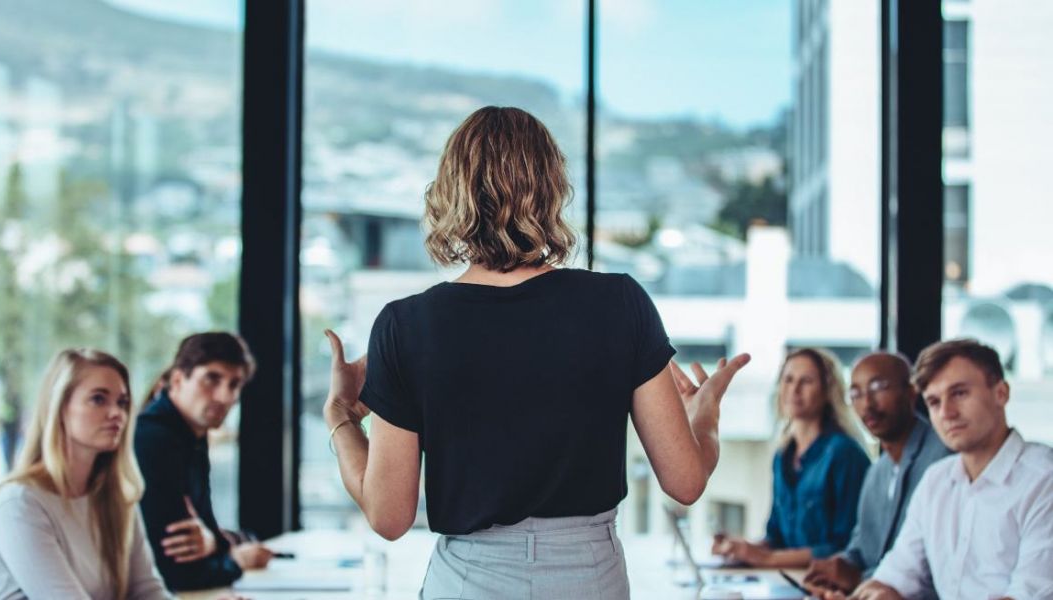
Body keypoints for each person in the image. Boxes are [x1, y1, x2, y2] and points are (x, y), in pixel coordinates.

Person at [323, 106, 750, 599]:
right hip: (588, 577)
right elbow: (686, 482)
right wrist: (705, 417)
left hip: (467, 580)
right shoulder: (620, 302)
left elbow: (389, 515)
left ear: (450, 193)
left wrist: (342, 418)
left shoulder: (405, 325)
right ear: (551, 188)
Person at [827, 339, 1053, 600]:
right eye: (934, 402)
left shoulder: (1043, 480)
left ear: (1001, 393)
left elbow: (1031, 594)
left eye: (959, 393)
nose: (946, 412)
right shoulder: (936, 480)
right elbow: (896, 576)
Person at [0, 349, 172, 599]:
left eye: (122, 403)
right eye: (98, 399)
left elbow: (148, 591)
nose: (117, 413)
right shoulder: (20, 503)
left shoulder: (117, 496)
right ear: (60, 407)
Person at [803, 352, 951, 595]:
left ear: (912, 392)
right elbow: (860, 549)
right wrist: (840, 566)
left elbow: (934, 569)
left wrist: (859, 578)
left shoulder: (943, 459)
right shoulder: (877, 472)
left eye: (878, 387)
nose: (867, 404)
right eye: (856, 393)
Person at [134, 332, 273, 591]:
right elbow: (176, 570)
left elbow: (208, 532)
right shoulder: (154, 439)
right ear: (177, 379)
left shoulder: (191, 436)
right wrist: (235, 560)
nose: (225, 397)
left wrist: (216, 542)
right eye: (212, 379)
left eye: (234, 385)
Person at [712, 348, 869, 568]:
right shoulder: (782, 456)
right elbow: (775, 537)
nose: (794, 389)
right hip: (786, 581)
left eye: (806, 381)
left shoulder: (845, 453)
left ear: (827, 391)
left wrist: (767, 559)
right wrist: (742, 549)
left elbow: (847, 547)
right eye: (788, 380)